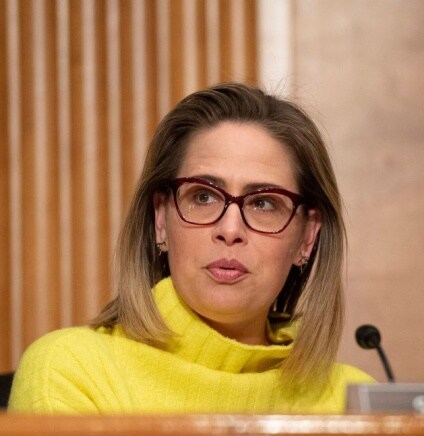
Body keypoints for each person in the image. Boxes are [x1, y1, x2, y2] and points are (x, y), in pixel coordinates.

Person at [8, 82, 373, 414]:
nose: (230, 230)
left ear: (306, 237)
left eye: (264, 203)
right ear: (161, 219)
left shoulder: (352, 400)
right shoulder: (72, 370)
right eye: (203, 196)